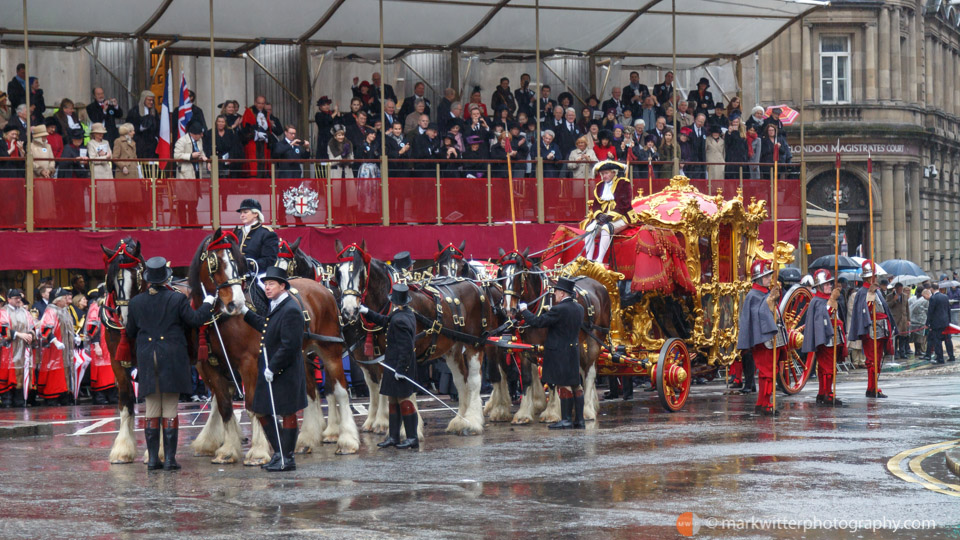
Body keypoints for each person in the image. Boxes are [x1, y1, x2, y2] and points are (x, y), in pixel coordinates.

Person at [126, 257, 215, 470]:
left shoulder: (136, 302)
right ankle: (170, 460)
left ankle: (154, 460)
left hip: (147, 356)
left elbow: (130, 332)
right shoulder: (177, 299)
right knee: (170, 409)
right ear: (166, 278)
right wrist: (208, 304)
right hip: (171, 356)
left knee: (152, 409)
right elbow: (194, 320)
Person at [237, 266, 308, 470]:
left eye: (271, 284)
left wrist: (273, 368)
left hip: (285, 371)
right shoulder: (277, 305)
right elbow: (267, 327)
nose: (267, 288)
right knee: (261, 410)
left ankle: (287, 458)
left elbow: (290, 345)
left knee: (287, 413)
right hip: (272, 370)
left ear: (282, 286)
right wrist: (245, 312)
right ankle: (280, 453)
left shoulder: (291, 309)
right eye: (266, 284)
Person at [517, 277, 585, 429]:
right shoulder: (579, 308)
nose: (554, 295)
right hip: (573, 351)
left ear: (562, 293)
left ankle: (566, 419)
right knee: (576, 385)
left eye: (556, 292)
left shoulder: (559, 309)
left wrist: (524, 311)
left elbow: (537, 322)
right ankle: (579, 420)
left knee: (564, 386)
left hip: (560, 352)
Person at [358, 284, 421, 448]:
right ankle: (393, 436)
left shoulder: (401, 320)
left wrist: (401, 370)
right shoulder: (402, 313)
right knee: (392, 400)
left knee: (404, 400)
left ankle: (412, 437)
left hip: (400, 364)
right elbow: (385, 321)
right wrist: (368, 313)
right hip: (393, 363)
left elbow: (406, 348)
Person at [736, 260, 781, 416]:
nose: (769, 279)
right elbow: (757, 316)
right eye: (766, 276)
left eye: (769, 276)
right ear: (758, 278)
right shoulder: (753, 295)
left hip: (770, 338)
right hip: (762, 340)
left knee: (768, 372)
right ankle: (765, 402)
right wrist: (769, 302)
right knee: (767, 372)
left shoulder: (763, 293)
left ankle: (763, 403)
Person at [847, 260, 895, 398]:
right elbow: (865, 311)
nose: (876, 278)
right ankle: (872, 388)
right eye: (874, 276)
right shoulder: (863, 292)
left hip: (881, 329)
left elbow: (883, 309)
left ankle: (873, 387)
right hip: (871, 330)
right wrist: (870, 296)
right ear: (869, 277)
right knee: (872, 361)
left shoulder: (878, 291)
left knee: (878, 360)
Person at [800, 269, 845, 406]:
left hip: (834, 334)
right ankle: (827, 393)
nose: (829, 286)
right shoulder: (818, 300)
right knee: (828, 367)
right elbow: (823, 317)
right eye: (826, 284)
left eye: (830, 284)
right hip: (825, 336)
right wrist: (831, 302)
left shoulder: (826, 299)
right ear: (819, 286)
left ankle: (823, 392)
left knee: (828, 366)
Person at [581, 160, 635, 263]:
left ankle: (599, 260)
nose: (603, 176)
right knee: (589, 229)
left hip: (622, 217)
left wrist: (609, 217)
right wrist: (599, 215)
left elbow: (624, 205)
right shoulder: (599, 186)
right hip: (603, 218)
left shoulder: (623, 183)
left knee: (606, 228)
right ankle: (588, 260)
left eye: (606, 173)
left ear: (614, 172)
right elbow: (596, 206)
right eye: (602, 174)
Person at [38, 288, 76, 406]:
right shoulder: (51, 311)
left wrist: (75, 336)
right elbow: (45, 328)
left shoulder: (64, 310)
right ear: (57, 300)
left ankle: (64, 394)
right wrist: (55, 341)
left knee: (65, 370)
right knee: (55, 372)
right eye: (64, 298)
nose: (66, 300)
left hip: (65, 348)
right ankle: (52, 397)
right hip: (54, 349)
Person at [0, 289, 35, 408]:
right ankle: (7, 400)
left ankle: (20, 399)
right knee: (7, 375)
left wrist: (30, 334)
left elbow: (32, 326)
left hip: (23, 348)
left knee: (23, 373)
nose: (18, 300)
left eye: (19, 297)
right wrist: (19, 334)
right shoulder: (3, 311)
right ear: (9, 299)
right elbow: (3, 329)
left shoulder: (25, 312)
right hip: (8, 349)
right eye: (15, 298)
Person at [84, 288, 116, 405]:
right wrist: (96, 344)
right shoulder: (96, 307)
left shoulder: (110, 306)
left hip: (109, 345)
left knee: (110, 371)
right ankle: (100, 396)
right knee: (101, 372)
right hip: (100, 345)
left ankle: (111, 395)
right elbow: (92, 328)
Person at [234, 199, 279, 274]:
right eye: (241, 213)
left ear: (256, 214)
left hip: (258, 273)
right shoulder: (237, 232)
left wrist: (249, 265)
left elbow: (270, 259)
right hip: (237, 272)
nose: (242, 215)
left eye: (245, 212)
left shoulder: (267, 233)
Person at [240, 96, 272, 178]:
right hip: (252, 143)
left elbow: (269, 128)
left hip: (263, 143)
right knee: (253, 166)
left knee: (263, 166)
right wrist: (255, 134)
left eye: (262, 103)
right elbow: (245, 129)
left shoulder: (266, 113)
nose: (260, 105)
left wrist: (266, 135)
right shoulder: (249, 112)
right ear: (255, 103)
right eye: (259, 103)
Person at [926, 281, 954, 364]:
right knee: (948, 340)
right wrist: (949, 320)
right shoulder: (945, 297)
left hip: (936, 323)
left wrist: (927, 323)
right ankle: (951, 356)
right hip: (945, 322)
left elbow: (930, 312)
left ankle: (940, 358)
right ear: (938, 288)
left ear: (931, 289)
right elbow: (948, 310)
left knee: (937, 341)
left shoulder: (933, 298)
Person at [126, 90, 159, 158]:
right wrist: (141, 128)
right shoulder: (135, 111)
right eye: (149, 100)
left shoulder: (154, 111)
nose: (151, 102)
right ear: (143, 99)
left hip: (152, 143)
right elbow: (129, 125)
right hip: (139, 142)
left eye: (152, 100)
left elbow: (158, 125)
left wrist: (156, 138)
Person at [886, 282, 911, 359]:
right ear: (896, 289)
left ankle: (902, 352)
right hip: (895, 319)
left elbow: (907, 308)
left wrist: (908, 319)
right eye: (899, 289)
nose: (900, 290)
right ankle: (895, 352)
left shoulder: (905, 296)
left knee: (903, 336)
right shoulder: (890, 296)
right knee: (896, 336)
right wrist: (894, 300)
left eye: (901, 289)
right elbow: (887, 305)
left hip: (903, 319)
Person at [910, 288, 930, 358]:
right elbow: (927, 310)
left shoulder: (914, 299)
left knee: (917, 336)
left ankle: (918, 350)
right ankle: (919, 350)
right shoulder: (925, 300)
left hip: (915, 320)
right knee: (919, 337)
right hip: (920, 321)